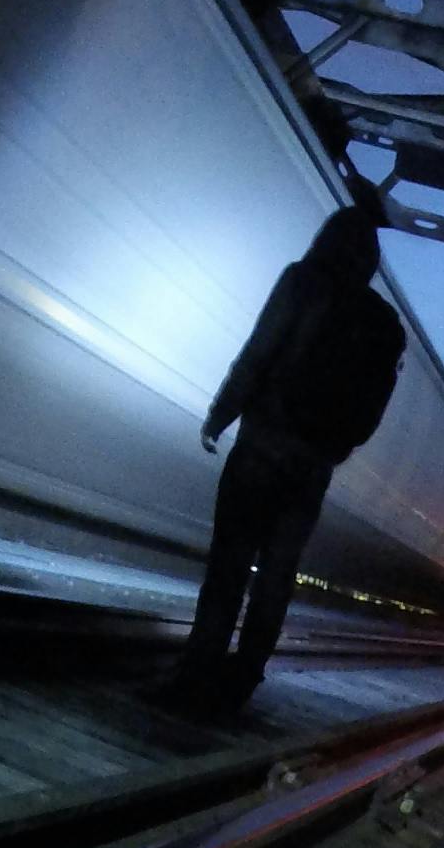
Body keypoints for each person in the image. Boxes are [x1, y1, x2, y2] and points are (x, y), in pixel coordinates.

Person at [158, 203, 404, 712]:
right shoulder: (383, 323)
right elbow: (375, 405)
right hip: (311, 468)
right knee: (276, 574)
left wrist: (219, 415)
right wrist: (335, 449)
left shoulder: (302, 281)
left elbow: (260, 349)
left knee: (229, 565)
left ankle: (195, 677)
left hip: (262, 447)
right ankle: (242, 681)